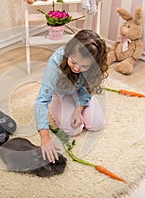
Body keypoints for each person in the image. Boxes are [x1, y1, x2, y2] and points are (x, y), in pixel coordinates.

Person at [35, 29, 108, 163]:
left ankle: (78, 105)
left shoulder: (93, 66)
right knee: (74, 130)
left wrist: (78, 108)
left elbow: (88, 87)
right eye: (73, 62)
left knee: (97, 124)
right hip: (60, 92)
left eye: (84, 66)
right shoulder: (56, 62)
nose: (76, 68)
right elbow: (41, 100)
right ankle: (55, 105)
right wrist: (45, 137)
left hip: (80, 91)